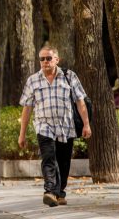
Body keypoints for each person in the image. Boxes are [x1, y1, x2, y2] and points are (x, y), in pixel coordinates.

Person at [18, 45, 91, 207]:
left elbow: (80, 101)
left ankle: (60, 193)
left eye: (48, 58)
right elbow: (27, 108)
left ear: (57, 60)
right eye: (42, 59)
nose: (45, 62)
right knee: (49, 157)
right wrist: (21, 134)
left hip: (66, 126)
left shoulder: (69, 76)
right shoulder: (33, 80)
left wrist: (86, 124)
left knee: (64, 161)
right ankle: (50, 191)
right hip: (44, 127)